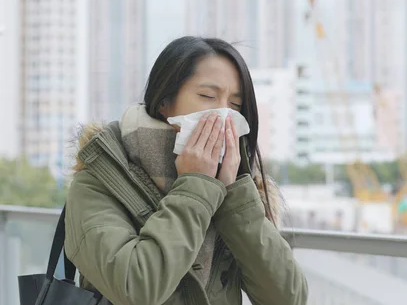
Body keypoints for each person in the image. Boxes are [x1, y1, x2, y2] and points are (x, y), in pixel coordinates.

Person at [64, 36, 308, 305]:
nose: (223, 113)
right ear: (164, 103)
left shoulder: (242, 190)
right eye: (207, 96)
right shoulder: (100, 181)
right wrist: (197, 185)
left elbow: (288, 297)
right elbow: (136, 288)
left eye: (235, 105)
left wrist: (233, 194)